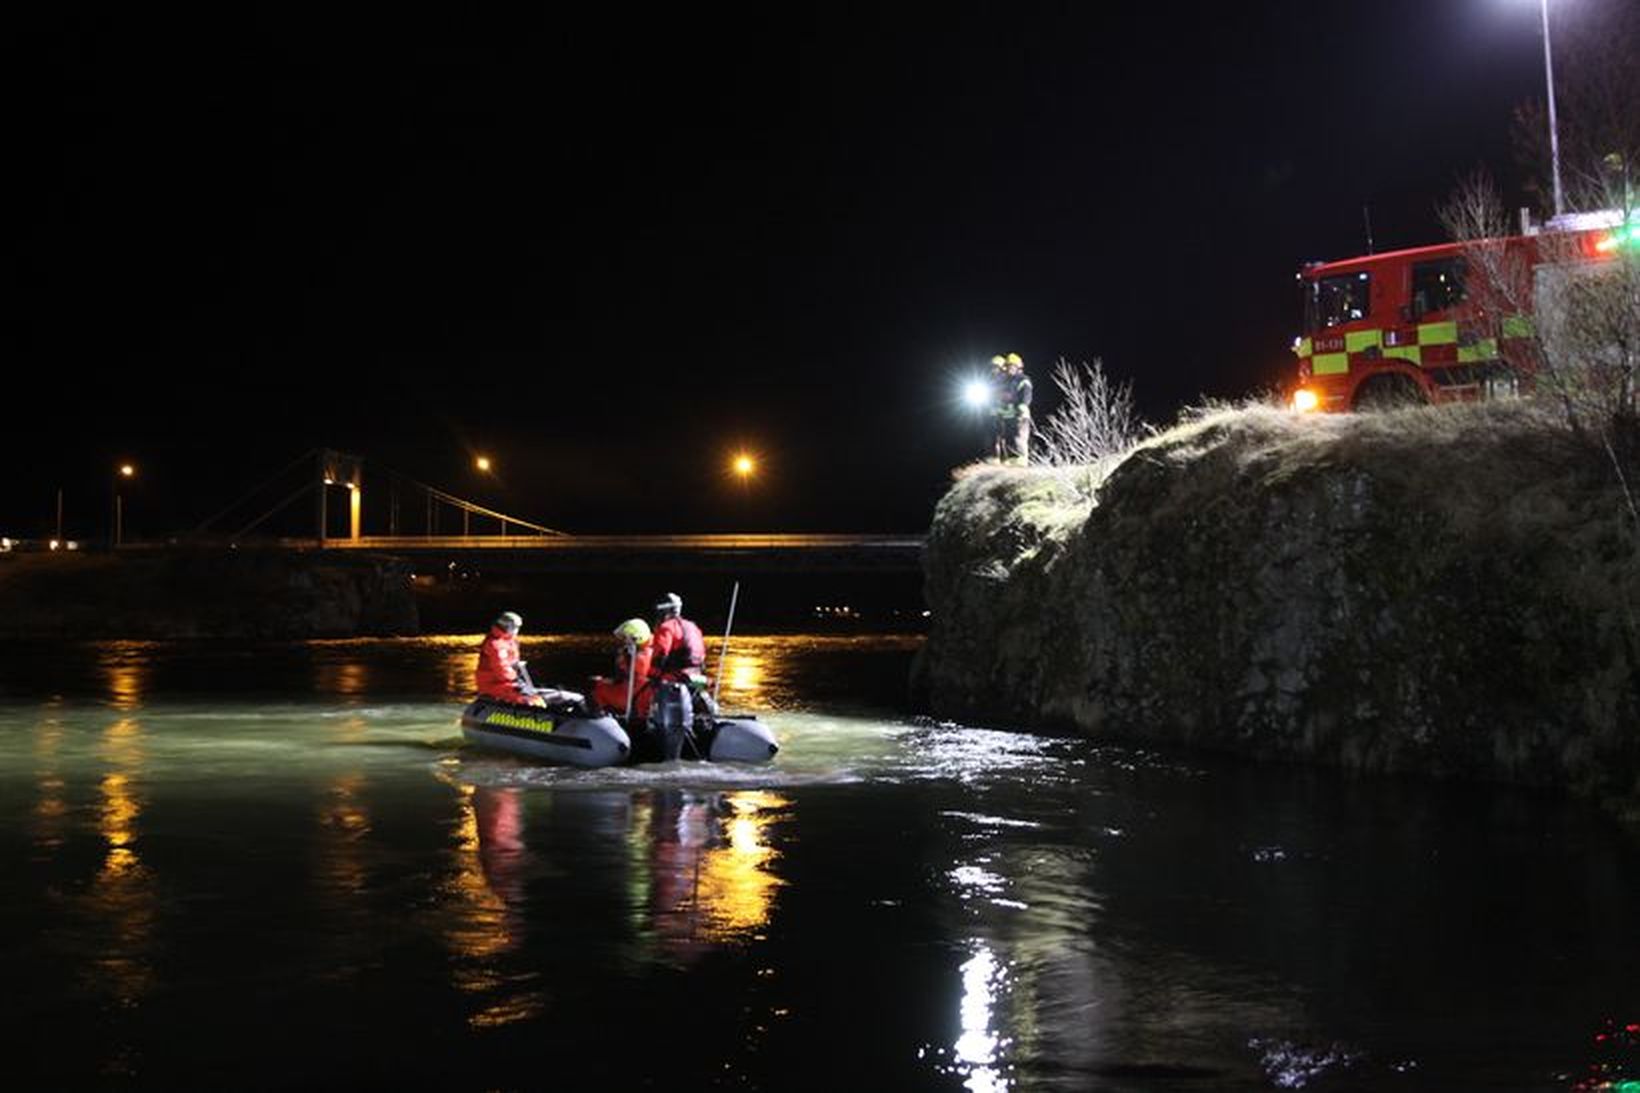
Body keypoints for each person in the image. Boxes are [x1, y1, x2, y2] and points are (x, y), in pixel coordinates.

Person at [474, 611, 545, 706]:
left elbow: (511, 666)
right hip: (494, 686)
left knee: (537, 695)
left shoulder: (510, 641)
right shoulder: (495, 644)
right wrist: (516, 680)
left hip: (507, 684)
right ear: (508, 626)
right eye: (516, 627)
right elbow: (502, 669)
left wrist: (518, 678)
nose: (518, 630)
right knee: (529, 699)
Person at [589, 617, 655, 718]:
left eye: (626, 639)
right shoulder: (651, 651)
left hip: (635, 698)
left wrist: (602, 681)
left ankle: (602, 719)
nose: (624, 642)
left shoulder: (639, 659)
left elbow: (626, 680)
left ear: (636, 639)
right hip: (640, 694)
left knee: (597, 689)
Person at [649, 593, 707, 684]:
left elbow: (659, 656)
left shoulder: (666, 627)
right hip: (697, 678)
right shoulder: (693, 626)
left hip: (675, 678)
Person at [990, 351, 1033, 465]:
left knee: (1018, 437)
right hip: (1008, 415)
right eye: (1008, 366)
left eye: (1011, 366)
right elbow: (1004, 397)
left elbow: (1026, 393)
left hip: (1020, 415)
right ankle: (1010, 462)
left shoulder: (1023, 379)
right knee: (1008, 438)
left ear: (1018, 367)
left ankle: (1020, 462)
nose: (1009, 368)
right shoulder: (1007, 381)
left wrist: (1023, 405)